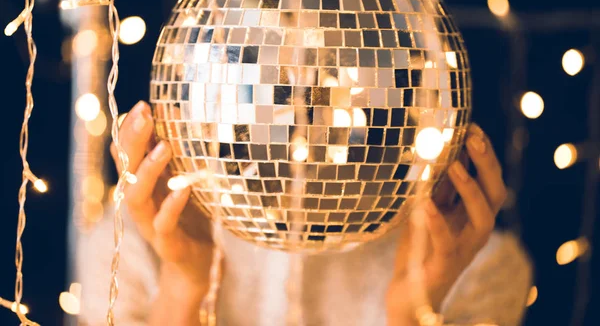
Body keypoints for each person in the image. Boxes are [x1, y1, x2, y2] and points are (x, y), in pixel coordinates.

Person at [77, 101, 532, 326]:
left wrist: (415, 307)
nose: (300, 103)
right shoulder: (127, 251)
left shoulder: (477, 265)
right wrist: (184, 282)